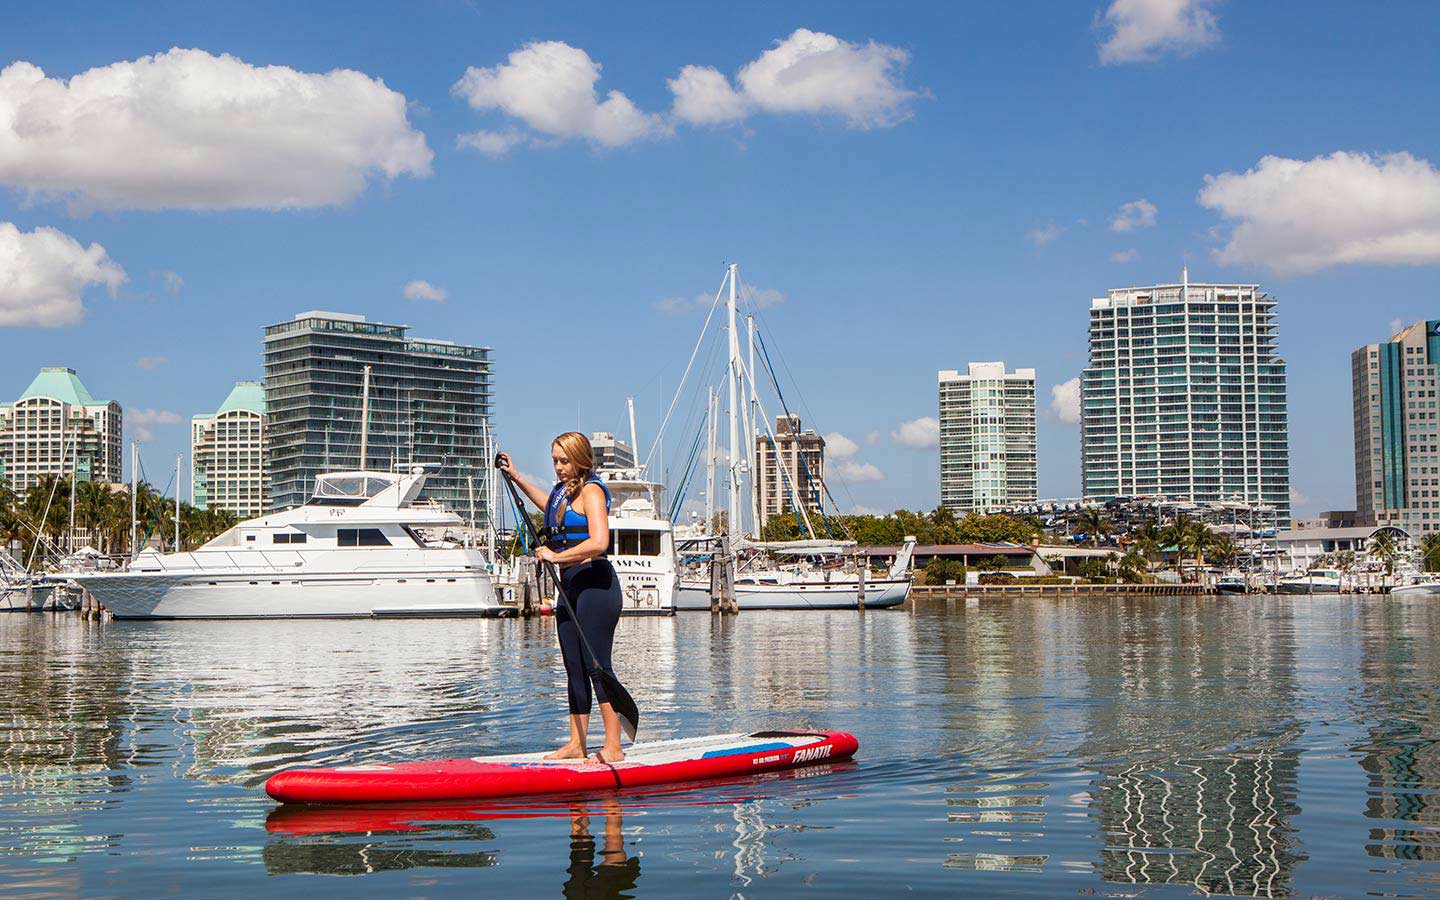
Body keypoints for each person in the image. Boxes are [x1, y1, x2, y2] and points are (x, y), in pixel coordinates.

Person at [497, 432, 625, 763]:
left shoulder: (592, 491)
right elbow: (548, 507)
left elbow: (599, 541)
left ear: (581, 460)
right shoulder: (561, 493)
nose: (558, 467)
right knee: (573, 667)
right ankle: (577, 743)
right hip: (570, 586)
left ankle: (613, 746)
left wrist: (554, 557)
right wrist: (517, 477)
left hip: (596, 585)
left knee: (598, 667)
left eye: (564, 461)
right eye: (554, 460)